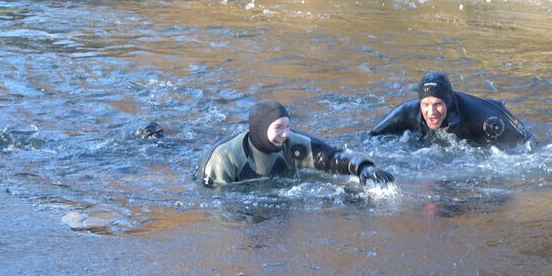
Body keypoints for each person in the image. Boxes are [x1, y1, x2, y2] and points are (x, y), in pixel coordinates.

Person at [196, 100, 394, 187]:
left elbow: (331, 158)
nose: (285, 134)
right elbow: (216, 203)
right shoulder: (224, 159)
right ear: (259, 129)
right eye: (278, 128)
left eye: (287, 127)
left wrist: (362, 168)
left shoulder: (291, 144)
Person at [369, 72, 531, 150]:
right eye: (425, 104)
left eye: (438, 104)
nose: (431, 112)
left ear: (448, 101)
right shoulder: (406, 112)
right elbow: (371, 138)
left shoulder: (484, 119)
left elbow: (525, 142)